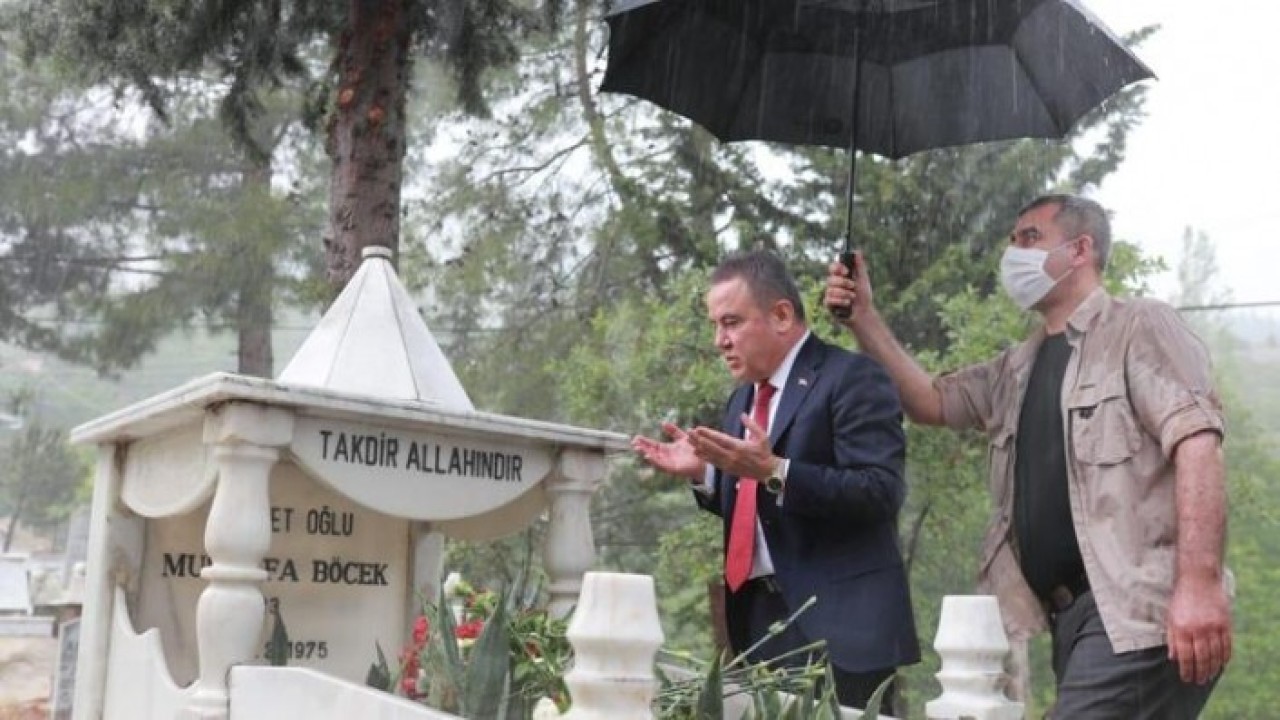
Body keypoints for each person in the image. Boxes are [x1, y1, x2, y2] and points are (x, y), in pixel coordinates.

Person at [823, 194, 1232, 718]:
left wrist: (1200, 585)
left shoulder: (1140, 327)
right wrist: (864, 318)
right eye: (1012, 240)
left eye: (1029, 238)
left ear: (1080, 249)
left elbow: (1198, 442)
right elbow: (930, 399)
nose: (1013, 252)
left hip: (1138, 612)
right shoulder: (1018, 366)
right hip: (1072, 620)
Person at [632, 250, 920, 709]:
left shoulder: (852, 378)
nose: (719, 341)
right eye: (715, 326)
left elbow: (880, 492)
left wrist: (775, 471)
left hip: (841, 631)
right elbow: (753, 501)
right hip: (759, 623)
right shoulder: (741, 399)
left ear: (782, 315)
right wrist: (706, 474)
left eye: (731, 323)